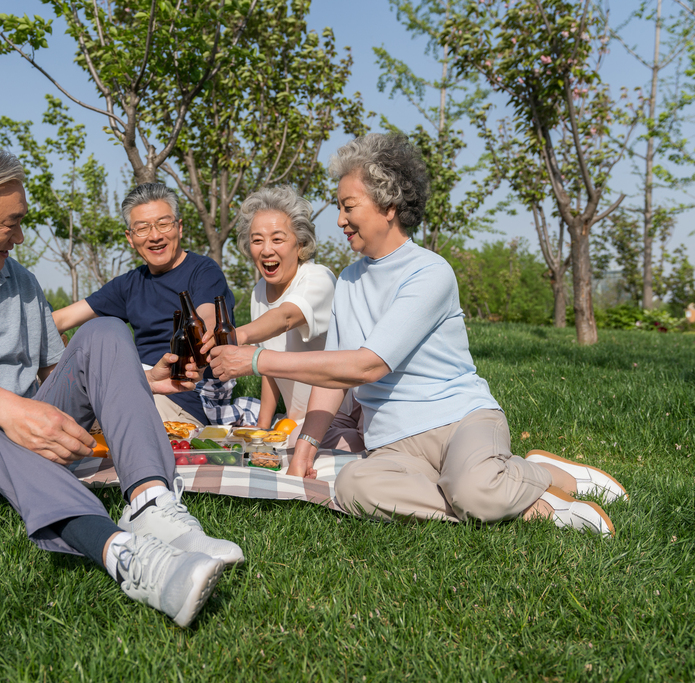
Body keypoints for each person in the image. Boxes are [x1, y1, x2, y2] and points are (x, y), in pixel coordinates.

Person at [0, 147, 243, 628]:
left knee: (102, 333)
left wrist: (144, 380)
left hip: (17, 438)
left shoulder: (20, 280)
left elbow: (59, 375)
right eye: (11, 223)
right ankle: (124, 556)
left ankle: (150, 503)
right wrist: (12, 413)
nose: (20, 237)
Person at [209, 133, 626, 536]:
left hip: (459, 420)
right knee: (353, 488)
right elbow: (331, 381)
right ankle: (496, 495)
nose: (339, 220)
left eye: (348, 206)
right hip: (393, 445)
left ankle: (541, 478)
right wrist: (304, 450)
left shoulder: (429, 272)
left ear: (388, 205)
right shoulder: (349, 281)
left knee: (472, 490)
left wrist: (257, 359)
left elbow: (369, 365)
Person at [52, 183, 254, 427]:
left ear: (179, 227)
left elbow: (206, 319)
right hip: (136, 385)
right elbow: (60, 320)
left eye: (163, 223)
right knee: (57, 404)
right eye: (143, 228)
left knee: (120, 413)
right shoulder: (129, 284)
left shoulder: (204, 271)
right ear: (130, 238)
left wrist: (200, 337)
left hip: (183, 396)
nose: (155, 235)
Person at [199, 186, 363, 451]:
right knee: (263, 446)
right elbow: (267, 366)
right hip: (296, 420)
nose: (266, 250)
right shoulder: (258, 292)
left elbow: (286, 316)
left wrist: (236, 336)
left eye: (277, 239)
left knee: (297, 447)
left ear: (300, 244)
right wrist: (262, 426)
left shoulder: (318, 278)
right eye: (257, 240)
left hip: (339, 416)